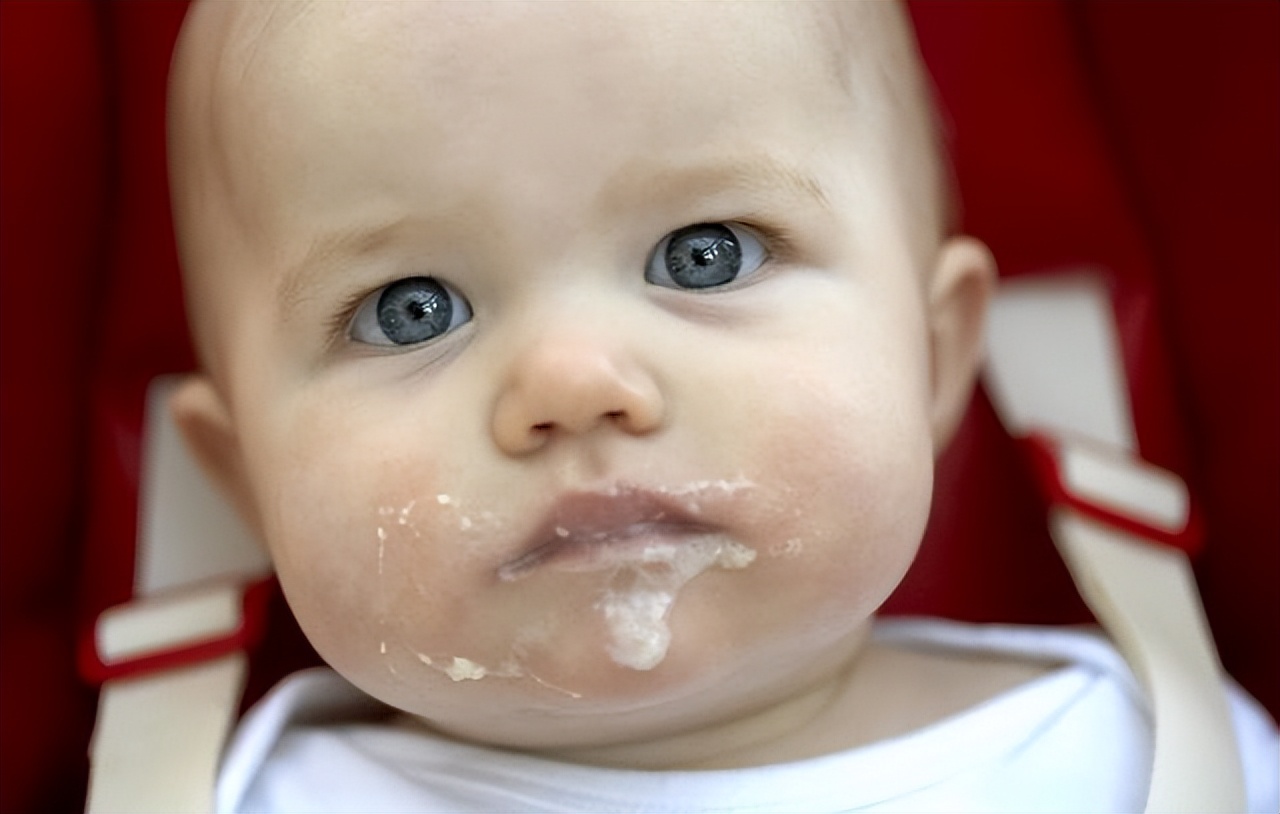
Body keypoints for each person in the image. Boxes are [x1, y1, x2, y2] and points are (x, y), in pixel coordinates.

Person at [164, 2, 1278, 811]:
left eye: (704, 256)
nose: (572, 383)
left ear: (932, 356)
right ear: (244, 478)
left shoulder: (1152, 762)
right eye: (411, 310)